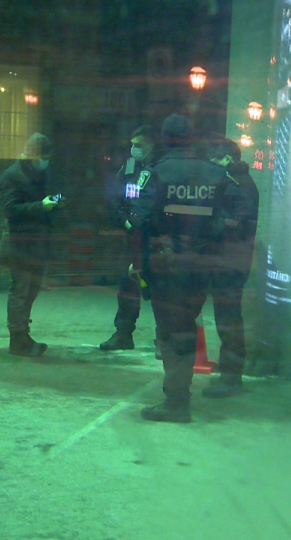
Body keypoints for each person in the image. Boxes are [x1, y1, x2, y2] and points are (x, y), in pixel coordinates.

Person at [129, 114, 234, 423]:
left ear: (165, 137)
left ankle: (176, 402)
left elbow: (139, 218)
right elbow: (228, 222)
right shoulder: (217, 174)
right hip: (201, 266)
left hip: (165, 266)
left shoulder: (154, 173)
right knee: (187, 325)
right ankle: (179, 395)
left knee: (171, 332)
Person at [201, 138, 259, 398]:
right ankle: (229, 371)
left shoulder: (240, 185)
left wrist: (212, 223)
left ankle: (232, 376)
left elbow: (240, 223)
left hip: (232, 261)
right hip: (227, 259)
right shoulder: (232, 183)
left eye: (215, 160)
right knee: (226, 319)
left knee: (229, 320)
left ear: (226, 160)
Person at [0, 133, 63, 356]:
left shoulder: (38, 174)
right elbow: (10, 210)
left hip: (36, 244)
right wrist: (40, 206)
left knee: (30, 291)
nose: (45, 161)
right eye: (43, 156)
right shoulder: (12, 176)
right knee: (20, 291)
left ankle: (23, 334)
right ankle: (17, 338)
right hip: (20, 244)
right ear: (34, 154)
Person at [99, 125, 161, 351]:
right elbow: (114, 195)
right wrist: (124, 219)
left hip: (154, 239)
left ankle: (162, 339)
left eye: (139, 145)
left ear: (151, 146)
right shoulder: (129, 167)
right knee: (127, 286)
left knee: (158, 289)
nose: (134, 149)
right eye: (132, 144)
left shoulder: (159, 169)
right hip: (132, 236)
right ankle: (123, 334)